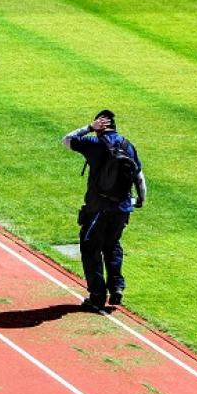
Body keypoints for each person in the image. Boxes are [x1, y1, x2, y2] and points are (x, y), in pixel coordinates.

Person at [62, 109, 147, 310]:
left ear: (99, 126)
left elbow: (67, 140)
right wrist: (141, 199)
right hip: (122, 207)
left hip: (98, 208)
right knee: (112, 245)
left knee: (90, 247)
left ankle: (98, 296)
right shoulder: (127, 145)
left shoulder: (94, 143)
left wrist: (89, 128)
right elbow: (139, 176)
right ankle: (117, 287)